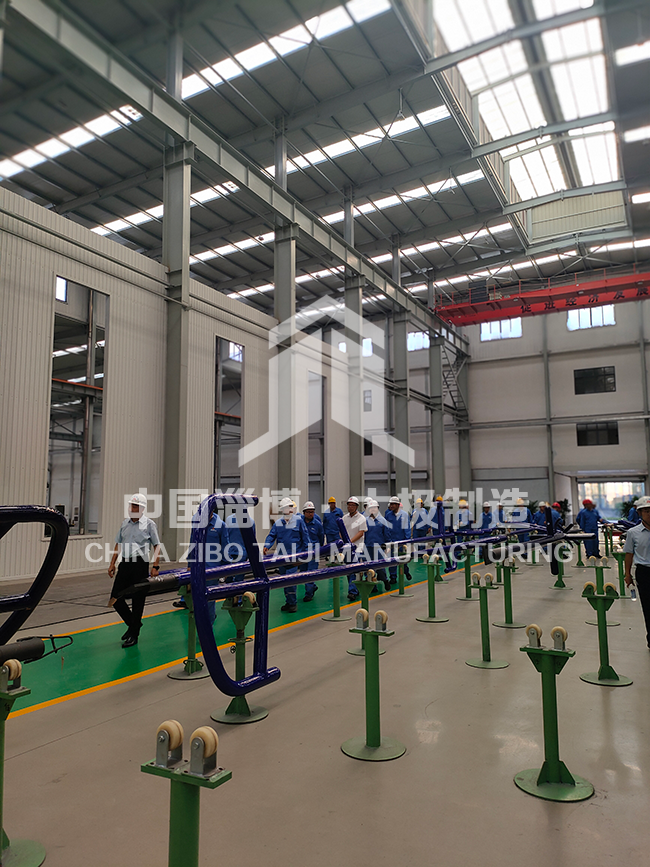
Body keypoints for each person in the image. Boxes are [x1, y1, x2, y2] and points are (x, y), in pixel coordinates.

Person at [107, 493, 160, 648]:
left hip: (140, 565)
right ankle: (134, 625)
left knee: (138, 600)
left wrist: (155, 566)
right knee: (115, 598)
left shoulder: (149, 525)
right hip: (125, 564)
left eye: (135, 506)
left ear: (142, 508)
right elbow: (118, 544)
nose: (132, 508)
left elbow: (156, 545)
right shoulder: (125, 523)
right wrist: (112, 563)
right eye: (131, 505)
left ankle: (134, 634)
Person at [263, 497, 310, 614]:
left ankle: (293, 603)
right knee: (284, 581)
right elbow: (271, 535)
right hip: (281, 558)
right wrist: (266, 546)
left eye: (289, 507)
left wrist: (306, 554)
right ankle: (289, 601)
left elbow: (305, 538)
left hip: (294, 558)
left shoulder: (299, 521)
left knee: (290, 581)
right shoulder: (278, 523)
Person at [624, 495, 650, 649]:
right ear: (639, 513)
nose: (649, 514)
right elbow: (629, 554)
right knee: (648, 607)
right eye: (646, 511)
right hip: (644, 573)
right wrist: (628, 575)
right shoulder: (633, 533)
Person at [363, 500, 391, 592]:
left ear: (378, 509)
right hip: (368, 547)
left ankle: (385, 580)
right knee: (368, 568)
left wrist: (388, 545)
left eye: (374, 508)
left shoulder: (383, 521)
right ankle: (372, 586)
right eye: (370, 508)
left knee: (380, 566)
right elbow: (363, 534)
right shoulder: (365, 521)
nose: (372, 510)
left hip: (379, 547)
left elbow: (387, 534)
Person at [342, 496, 367, 600]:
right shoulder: (344, 518)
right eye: (349, 505)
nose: (350, 507)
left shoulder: (361, 518)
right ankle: (355, 588)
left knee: (353, 569)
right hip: (347, 548)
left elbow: (361, 533)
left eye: (352, 505)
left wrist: (350, 542)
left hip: (357, 548)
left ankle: (352, 591)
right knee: (348, 570)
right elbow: (341, 531)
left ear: (356, 506)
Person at [384, 495, 412, 583]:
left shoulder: (404, 515)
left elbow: (407, 528)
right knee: (392, 560)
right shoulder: (388, 515)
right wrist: (388, 540)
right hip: (392, 542)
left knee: (403, 559)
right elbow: (387, 529)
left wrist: (407, 541)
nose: (391, 506)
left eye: (393, 504)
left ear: (398, 505)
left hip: (402, 541)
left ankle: (406, 571)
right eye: (391, 504)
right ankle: (393, 577)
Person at [300, 501, 323, 602]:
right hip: (303, 552)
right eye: (308, 512)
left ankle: (309, 594)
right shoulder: (300, 523)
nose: (310, 514)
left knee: (311, 573)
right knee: (303, 573)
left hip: (314, 552)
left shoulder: (317, 524)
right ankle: (312, 587)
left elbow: (321, 537)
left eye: (312, 512)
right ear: (304, 512)